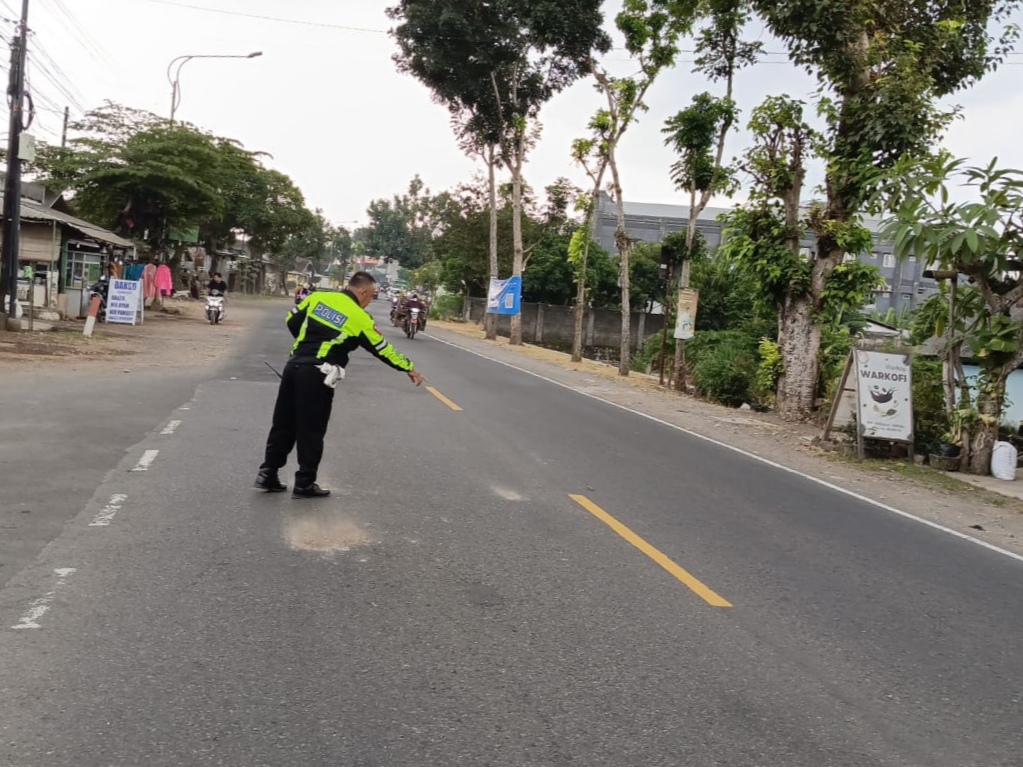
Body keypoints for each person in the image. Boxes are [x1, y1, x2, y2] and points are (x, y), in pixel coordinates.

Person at [256, 271, 426, 498]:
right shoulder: (359, 317)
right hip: (317, 375)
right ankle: (304, 483)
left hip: (293, 367)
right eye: (372, 295)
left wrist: (305, 346)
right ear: (362, 291)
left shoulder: (318, 298)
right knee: (311, 429)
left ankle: (268, 473)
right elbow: (382, 349)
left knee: (283, 423)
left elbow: (292, 319)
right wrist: (408, 367)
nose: (371, 301)